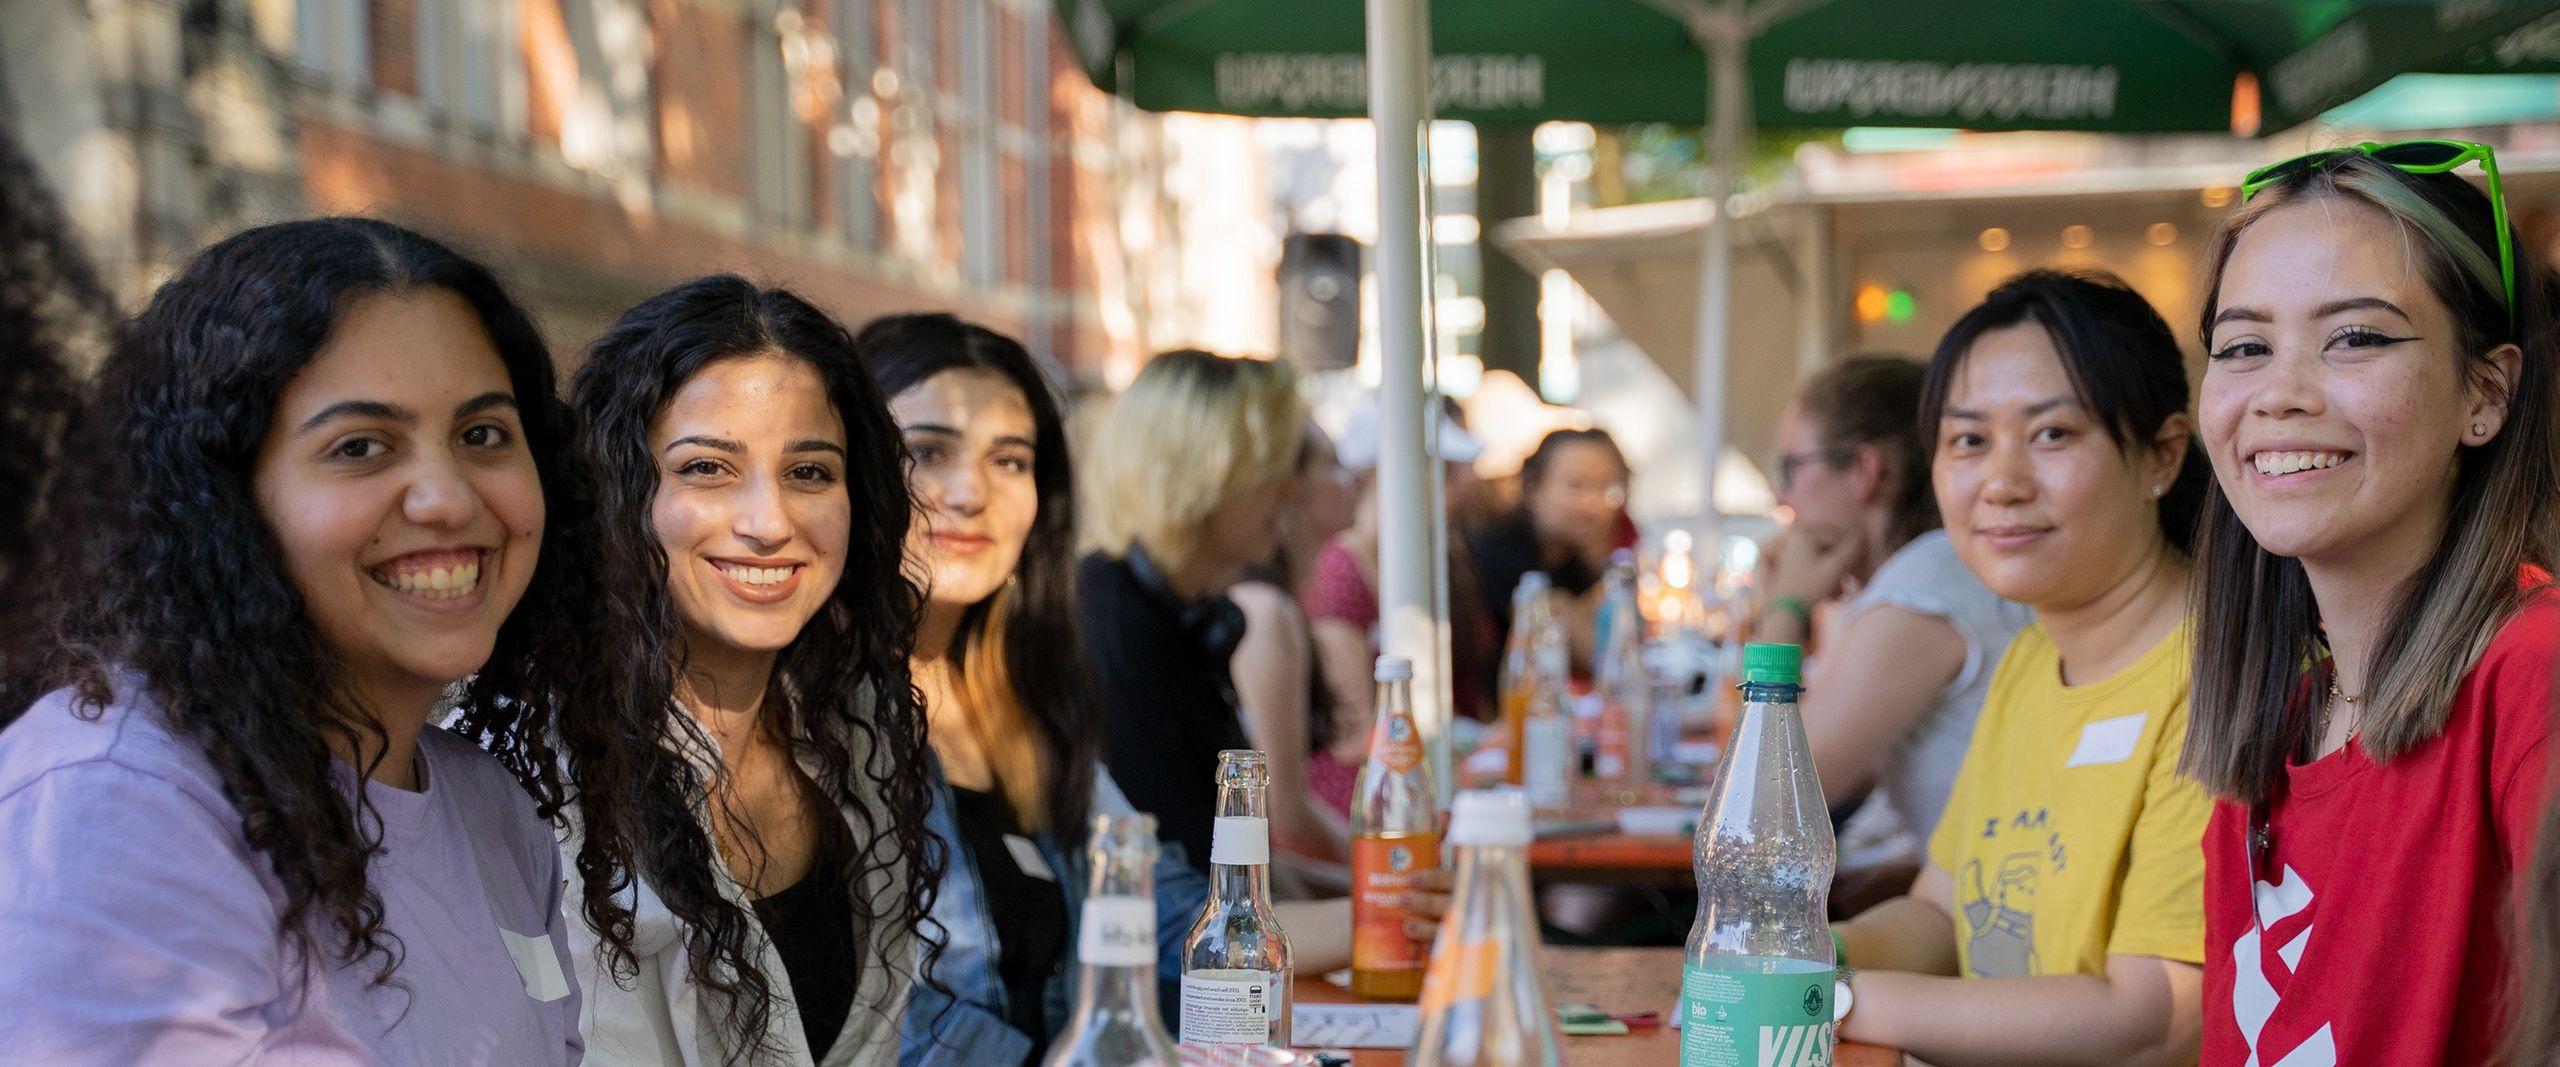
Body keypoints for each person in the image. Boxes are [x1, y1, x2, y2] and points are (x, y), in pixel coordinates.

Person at [0, 217, 661, 1062]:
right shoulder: (113, 801)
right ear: (222, 502)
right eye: (360, 447)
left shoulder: (492, 813)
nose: (447, 498)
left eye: (483, 434)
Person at [857, 316, 1347, 1066]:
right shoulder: (820, 713)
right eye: (927, 452)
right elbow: (888, 1020)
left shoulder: (1024, 696)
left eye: (1010, 459)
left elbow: (1175, 914)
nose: (970, 491)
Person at [2181, 142, 2559, 1067]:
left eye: (2354, 337)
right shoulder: (2278, 719)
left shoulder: (2535, 671)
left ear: (2487, 390)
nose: (2279, 393)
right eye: (2243, 347)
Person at [545, 276, 936, 1066]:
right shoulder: (539, 771)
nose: (768, 523)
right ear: (618, 490)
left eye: (809, 472)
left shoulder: (857, 736)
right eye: (708, 468)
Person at [1831, 270, 2214, 1067]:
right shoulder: (2035, 657)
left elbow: (2155, 1021)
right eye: (1969, 440)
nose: (2001, 484)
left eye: (2053, 434)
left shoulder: (2215, 675)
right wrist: (1808, 953)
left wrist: (1833, 998)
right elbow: (1941, 915)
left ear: (2161, 455)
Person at [1757, 356, 2032, 849]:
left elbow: (1764, 802)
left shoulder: (1922, 593)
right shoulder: (1940, 570)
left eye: (1791, 467)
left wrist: (1785, 607)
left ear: (1866, 471)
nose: (1782, 493)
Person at [1078, 349, 1304, 875]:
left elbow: (1241, 876)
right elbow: (1193, 895)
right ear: (1203, 475)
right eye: (1271, 470)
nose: (1291, 490)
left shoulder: (1182, 612)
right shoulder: (1111, 624)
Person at [1303, 401, 1491, 815]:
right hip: (1360, 796)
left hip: (1397, 778)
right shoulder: (1342, 568)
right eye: (1438, 472)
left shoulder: (1410, 562)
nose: (1451, 490)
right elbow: (1355, 734)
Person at [1229, 419, 1354, 864]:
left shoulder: (1287, 601)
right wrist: (1374, 873)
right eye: (1331, 466)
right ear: (1290, 489)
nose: (1349, 480)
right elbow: (1283, 811)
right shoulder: (1264, 613)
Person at [1470, 426, 1629, 672]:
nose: (1594, 504)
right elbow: (1600, 660)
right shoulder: (1496, 553)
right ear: (1533, 488)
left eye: (1607, 487)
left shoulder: (1572, 562)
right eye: (1577, 486)